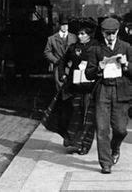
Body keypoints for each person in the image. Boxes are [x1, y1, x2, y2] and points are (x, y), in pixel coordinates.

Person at [85, 17, 132, 174]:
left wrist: (126, 65)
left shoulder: (126, 47)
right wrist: (99, 67)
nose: (111, 37)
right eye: (107, 34)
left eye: (113, 33)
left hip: (121, 91)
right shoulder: (96, 49)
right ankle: (106, 162)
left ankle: (115, 146)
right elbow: (88, 74)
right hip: (103, 90)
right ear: (103, 33)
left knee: (120, 129)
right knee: (102, 128)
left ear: (118, 32)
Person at [57, 19, 98, 154]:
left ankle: (85, 145)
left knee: (88, 116)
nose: (79, 36)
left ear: (89, 35)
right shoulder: (73, 48)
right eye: (79, 34)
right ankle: (71, 138)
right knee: (74, 112)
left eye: (82, 34)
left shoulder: (97, 47)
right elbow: (63, 61)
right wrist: (63, 74)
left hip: (90, 88)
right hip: (74, 86)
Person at [44, 17, 78, 91]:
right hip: (58, 66)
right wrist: (55, 60)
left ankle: (68, 101)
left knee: (72, 87)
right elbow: (47, 52)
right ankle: (61, 101)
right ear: (59, 26)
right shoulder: (52, 38)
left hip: (71, 66)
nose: (65, 27)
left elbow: (77, 49)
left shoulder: (74, 37)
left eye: (66, 25)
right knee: (60, 87)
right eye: (62, 25)